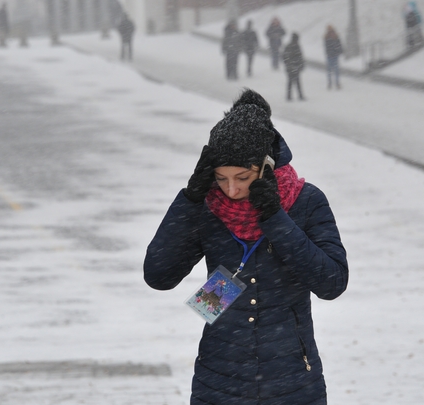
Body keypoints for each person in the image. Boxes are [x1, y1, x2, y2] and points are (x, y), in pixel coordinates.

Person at [144, 88, 348, 405]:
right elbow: (158, 274)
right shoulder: (207, 206)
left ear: (266, 165)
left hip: (293, 384)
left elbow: (332, 282)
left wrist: (275, 218)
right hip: (218, 384)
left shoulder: (306, 201)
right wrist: (190, 200)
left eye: (242, 177)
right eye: (221, 178)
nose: (232, 189)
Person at [283, 32, 305, 101]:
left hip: (292, 67)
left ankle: (289, 96)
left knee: (291, 82)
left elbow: (285, 57)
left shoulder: (289, 46)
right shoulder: (295, 46)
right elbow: (300, 57)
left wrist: (288, 64)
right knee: (296, 82)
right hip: (293, 67)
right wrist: (300, 64)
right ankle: (299, 95)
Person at [324, 25, 343, 90]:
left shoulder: (327, 37)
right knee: (335, 70)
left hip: (331, 55)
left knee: (330, 70)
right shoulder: (335, 36)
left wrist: (329, 51)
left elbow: (327, 46)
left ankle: (331, 83)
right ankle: (336, 83)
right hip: (334, 55)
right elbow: (339, 44)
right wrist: (339, 50)